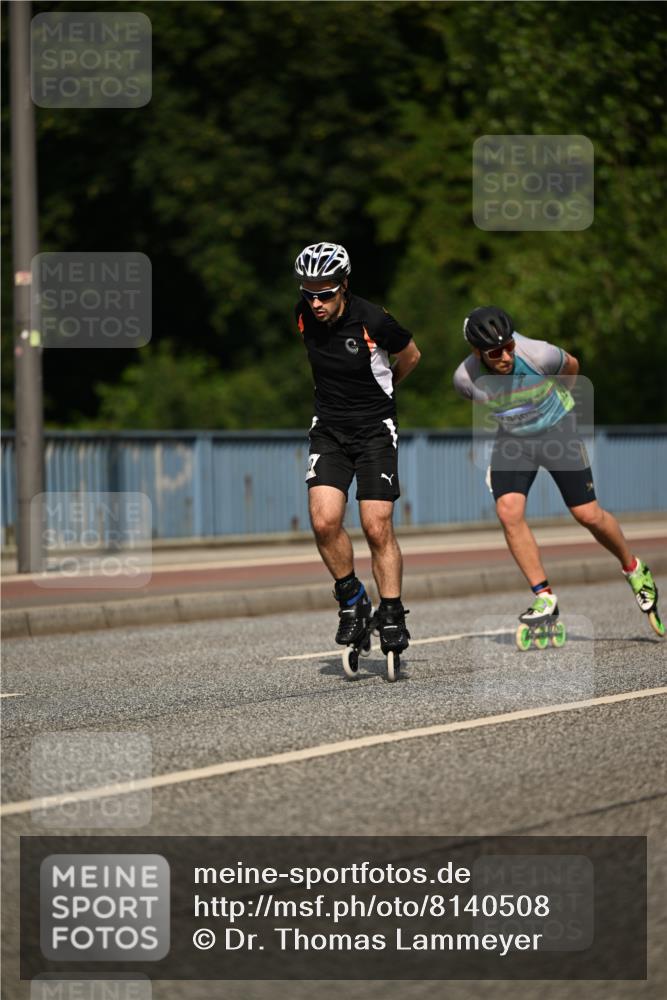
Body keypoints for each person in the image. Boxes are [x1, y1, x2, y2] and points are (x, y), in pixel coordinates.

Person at [452, 305, 664, 636]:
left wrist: (551, 397)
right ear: (477, 353)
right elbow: (488, 403)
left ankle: (634, 568)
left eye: (509, 346)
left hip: (557, 427)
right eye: (496, 352)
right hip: (514, 439)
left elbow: (573, 367)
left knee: (587, 514)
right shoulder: (465, 379)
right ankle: (544, 597)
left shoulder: (539, 354)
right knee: (508, 511)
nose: (506, 356)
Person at [294, 241, 421, 654]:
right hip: (329, 430)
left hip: (374, 432)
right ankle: (352, 600)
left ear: (344, 286)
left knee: (375, 524)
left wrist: (384, 394)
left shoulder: (373, 319)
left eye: (325, 293)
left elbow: (411, 355)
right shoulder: (303, 317)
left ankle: (392, 611)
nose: (316, 303)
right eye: (308, 292)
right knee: (324, 521)